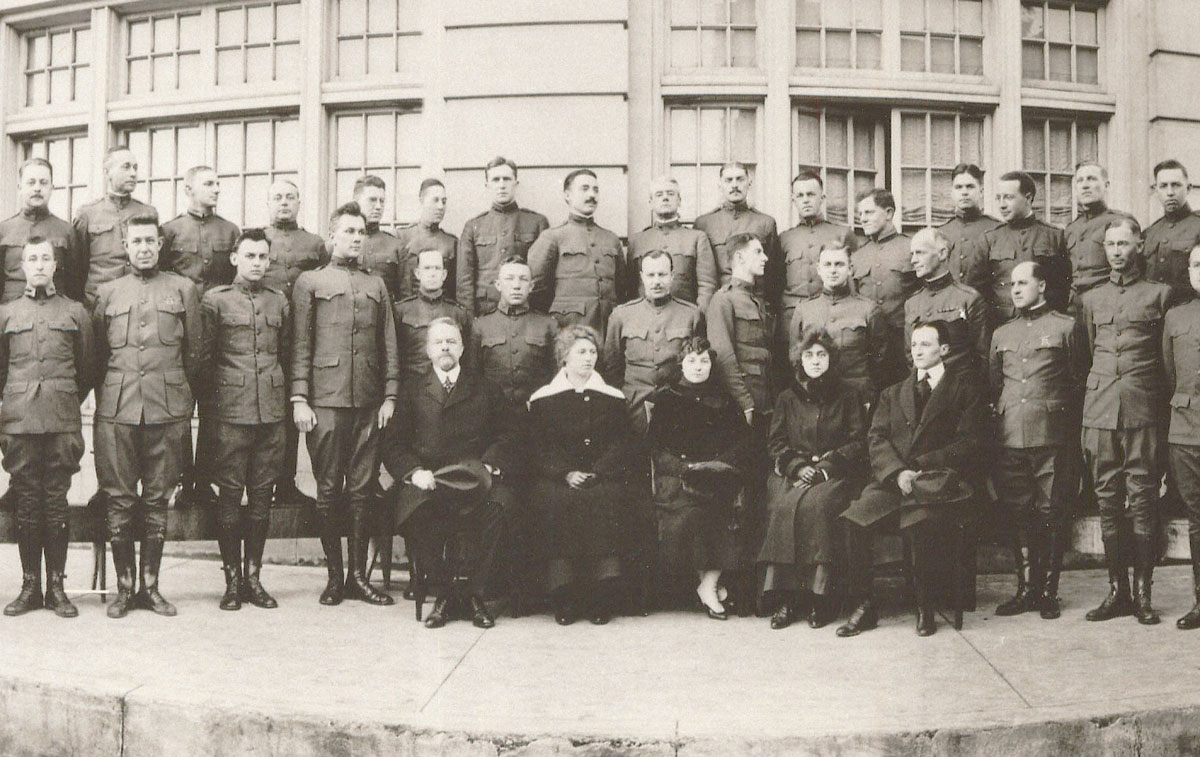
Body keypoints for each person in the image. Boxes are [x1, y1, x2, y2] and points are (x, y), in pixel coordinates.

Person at [837, 321, 986, 638]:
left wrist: (921, 465)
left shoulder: (963, 390)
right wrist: (897, 472)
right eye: (914, 345)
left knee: (918, 523)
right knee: (854, 520)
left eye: (926, 344)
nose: (917, 350)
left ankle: (925, 606)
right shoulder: (893, 393)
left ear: (943, 350)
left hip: (937, 484)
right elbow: (875, 438)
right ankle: (864, 606)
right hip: (894, 483)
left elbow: (969, 442)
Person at [92, 213, 202, 619]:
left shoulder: (183, 289)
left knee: (158, 499)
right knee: (119, 499)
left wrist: (182, 401)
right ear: (125, 245)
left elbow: (197, 354)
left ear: (160, 245)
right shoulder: (107, 294)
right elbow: (94, 358)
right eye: (135, 241)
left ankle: (151, 587)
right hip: (117, 410)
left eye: (149, 241)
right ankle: (124, 589)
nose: (143, 248)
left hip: (167, 409)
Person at [290, 201, 400, 607]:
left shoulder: (377, 285)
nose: (355, 238)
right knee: (328, 489)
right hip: (326, 402)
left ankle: (358, 576)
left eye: (361, 233)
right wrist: (300, 398)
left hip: (369, 401)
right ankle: (334, 577)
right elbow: (299, 345)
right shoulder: (310, 282)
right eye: (348, 231)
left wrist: (389, 395)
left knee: (362, 489)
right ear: (332, 235)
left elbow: (389, 343)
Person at [385, 318, 517, 629]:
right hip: (431, 480)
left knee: (500, 507)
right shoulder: (412, 391)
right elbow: (392, 444)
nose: (445, 347)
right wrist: (414, 472)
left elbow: (509, 433)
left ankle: (473, 593)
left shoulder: (485, 387)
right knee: (415, 511)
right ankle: (444, 593)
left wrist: (489, 463)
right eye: (438, 342)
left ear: (462, 348)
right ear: (428, 351)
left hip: (476, 479)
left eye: (452, 341)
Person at [1079, 218, 1172, 625]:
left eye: (1124, 243)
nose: (1116, 250)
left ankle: (1143, 594)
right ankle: (1116, 591)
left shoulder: (1160, 295)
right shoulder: (1091, 299)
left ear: (1140, 244)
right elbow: (1086, 354)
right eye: (1110, 244)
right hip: (1100, 411)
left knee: (1144, 499)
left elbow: (1167, 361)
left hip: (1142, 409)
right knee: (1108, 500)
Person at [0, 238, 93, 618]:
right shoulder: (7, 314)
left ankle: (56, 586)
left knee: (55, 501)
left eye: (45, 259)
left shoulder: (75, 313)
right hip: (19, 422)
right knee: (25, 500)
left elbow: (87, 368)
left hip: (61, 420)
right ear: (22, 266)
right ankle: (29, 586)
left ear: (56, 265)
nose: (39, 264)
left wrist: (64, 397)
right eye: (32, 258)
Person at [989, 261, 1086, 620]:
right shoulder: (1002, 334)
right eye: (1011, 284)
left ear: (1042, 286)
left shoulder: (1066, 327)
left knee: (1051, 512)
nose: (1015, 289)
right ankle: (1024, 589)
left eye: (1023, 282)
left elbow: (1077, 380)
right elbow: (995, 383)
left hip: (1051, 434)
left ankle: (1047, 591)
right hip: (1011, 433)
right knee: (1019, 513)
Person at [200, 228, 289, 611]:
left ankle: (254, 578)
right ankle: (232, 581)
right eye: (249, 255)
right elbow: (204, 360)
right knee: (230, 498)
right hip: (230, 413)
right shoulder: (215, 302)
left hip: (270, 412)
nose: (257, 263)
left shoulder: (278, 301)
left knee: (262, 499)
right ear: (235, 258)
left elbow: (285, 352)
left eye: (262, 257)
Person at [758, 330, 867, 630]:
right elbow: (776, 442)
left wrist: (827, 467)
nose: (815, 361)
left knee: (817, 507)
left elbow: (859, 441)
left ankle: (822, 598)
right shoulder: (787, 397)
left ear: (831, 359)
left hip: (835, 473)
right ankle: (788, 597)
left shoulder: (848, 395)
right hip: (795, 473)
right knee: (782, 506)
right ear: (799, 360)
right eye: (809, 355)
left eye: (821, 355)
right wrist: (795, 466)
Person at [527, 325, 633, 625]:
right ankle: (564, 596)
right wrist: (565, 472)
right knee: (558, 502)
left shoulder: (611, 396)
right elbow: (539, 445)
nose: (589, 358)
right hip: (558, 479)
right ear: (564, 357)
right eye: (581, 352)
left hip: (603, 476)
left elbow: (622, 442)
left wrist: (599, 471)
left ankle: (602, 595)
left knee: (606, 498)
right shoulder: (545, 398)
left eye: (592, 352)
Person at [645, 337, 748, 620]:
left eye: (704, 360)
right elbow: (657, 448)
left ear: (712, 365)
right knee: (693, 512)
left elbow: (742, 443)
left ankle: (708, 584)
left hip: (717, 475)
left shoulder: (724, 400)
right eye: (692, 360)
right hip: (679, 477)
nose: (698, 366)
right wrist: (685, 468)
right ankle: (711, 584)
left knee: (721, 509)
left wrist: (718, 464)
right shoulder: (666, 400)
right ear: (681, 365)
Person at [160, 165, 241, 508]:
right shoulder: (171, 231)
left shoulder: (230, 231)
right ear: (188, 189)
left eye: (219, 184)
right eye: (209, 184)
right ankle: (180, 480)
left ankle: (204, 481)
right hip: (181, 334)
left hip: (219, 334)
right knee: (179, 409)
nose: (217, 189)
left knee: (212, 410)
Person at [707, 232, 774, 612]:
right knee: (739, 501)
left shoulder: (757, 301)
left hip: (763, 410)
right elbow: (724, 356)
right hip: (741, 412)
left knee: (759, 498)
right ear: (737, 258)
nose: (764, 258)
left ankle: (756, 585)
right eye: (758, 252)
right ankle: (736, 585)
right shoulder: (724, 300)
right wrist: (746, 403)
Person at [262, 179, 326, 506]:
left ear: (299, 202)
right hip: (268, 337)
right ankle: (265, 484)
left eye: (290, 197)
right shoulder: (258, 241)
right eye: (278, 197)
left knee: (297, 413)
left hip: (304, 338)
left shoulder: (315, 244)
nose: (284, 202)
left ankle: (288, 483)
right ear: (268, 203)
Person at [604, 250, 704, 429]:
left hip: (677, 406)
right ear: (642, 277)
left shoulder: (691, 315)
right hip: (632, 407)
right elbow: (612, 367)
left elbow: (699, 364)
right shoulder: (621, 315)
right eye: (651, 275)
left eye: (662, 275)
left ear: (672, 276)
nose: (656, 281)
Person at [528, 169, 625, 335]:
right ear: (568, 195)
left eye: (595, 189)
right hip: (568, 330)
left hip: (607, 331)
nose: (592, 194)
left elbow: (622, 288)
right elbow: (535, 291)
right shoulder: (552, 237)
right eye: (584, 189)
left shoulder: (611, 239)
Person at [789, 245, 887, 396]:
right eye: (827, 264)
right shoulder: (804, 310)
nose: (833, 270)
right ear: (819, 269)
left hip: (856, 397)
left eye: (839, 264)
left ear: (850, 269)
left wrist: (869, 394)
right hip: (816, 397)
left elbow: (879, 360)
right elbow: (795, 358)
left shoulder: (868, 309)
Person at [457, 156, 549, 317]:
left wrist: (537, 314)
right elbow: (464, 280)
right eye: (496, 180)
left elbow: (542, 277)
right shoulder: (473, 226)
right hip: (485, 310)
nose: (501, 185)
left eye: (507, 179)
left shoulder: (536, 223)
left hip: (526, 311)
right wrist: (469, 318)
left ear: (516, 183)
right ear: (487, 185)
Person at [978, 171, 1071, 326]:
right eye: (998, 198)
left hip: (1044, 324)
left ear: (1028, 198)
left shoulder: (1054, 236)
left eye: (1008, 197)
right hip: (1003, 325)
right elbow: (980, 291)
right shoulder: (990, 239)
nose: (1002, 204)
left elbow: (1063, 287)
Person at [71, 146, 158, 308]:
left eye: (135, 168)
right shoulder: (87, 214)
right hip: (99, 304)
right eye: (126, 167)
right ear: (106, 172)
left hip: (139, 302)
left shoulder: (148, 212)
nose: (133, 173)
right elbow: (77, 268)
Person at [1164, 244, 1200, 629]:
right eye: (1196, 265)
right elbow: (1169, 374)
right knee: (1197, 519)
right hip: (1188, 429)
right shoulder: (1176, 317)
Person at [851, 188, 917, 388]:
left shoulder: (911, 248)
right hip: (869, 346)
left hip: (903, 343)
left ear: (889, 213)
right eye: (860, 214)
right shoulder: (858, 255)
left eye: (869, 212)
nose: (862, 219)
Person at [470, 257, 558, 408]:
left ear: (531, 286)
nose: (516, 286)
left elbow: (557, 375)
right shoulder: (481, 326)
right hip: (494, 415)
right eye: (509, 279)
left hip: (536, 413)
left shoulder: (548, 325)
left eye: (523, 279)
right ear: (498, 284)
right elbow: (472, 375)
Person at [779, 170, 857, 332]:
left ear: (822, 198)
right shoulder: (785, 238)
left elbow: (853, 283)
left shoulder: (842, 234)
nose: (806, 200)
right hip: (792, 320)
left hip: (831, 318)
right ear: (793, 200)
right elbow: (775, 285)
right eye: (800, 196)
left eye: (811, 194)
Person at [904, 228, 989, 375]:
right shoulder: (912, 303)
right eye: (912, 254)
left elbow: (982, 356)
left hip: (959, 389)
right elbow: (910, 356)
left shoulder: (969, 298)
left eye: (920, 253)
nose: (913, 260)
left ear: (942, 253)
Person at [693, 162, 781, 303]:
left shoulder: (765, 223)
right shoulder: (704, 223)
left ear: (749, 183)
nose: (734, 185)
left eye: (740, 179)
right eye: (729, 180)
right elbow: (700, 275)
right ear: (720, 185)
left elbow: (772, 275)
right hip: (717, 302)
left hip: (754, 302)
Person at [627, 176, 718, 309]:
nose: (665, 198)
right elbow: (630, 288)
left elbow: (707, 285)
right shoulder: (636, 241)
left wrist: (699, 318)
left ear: (679, 200)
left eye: (670, 194)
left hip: (685, 320)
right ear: (650, 203)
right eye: (659, 195)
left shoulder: (697, 238)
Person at [0, 158, 73, 303]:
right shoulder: (4, 230)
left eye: (43, 182)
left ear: (52, 188)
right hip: (11, 315)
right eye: (31, 182)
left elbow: (75, 283)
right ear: (20, 187)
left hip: (55, 314)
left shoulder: (67, 231)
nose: (37, 188)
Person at [393, 249, 471, 383]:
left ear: (444, 274)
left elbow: (468, 358)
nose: (432, 273)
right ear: (417, 273)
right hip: (412, 387)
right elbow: (393, 356)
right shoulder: (401, 311)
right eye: (427, 268)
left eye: (437, 268)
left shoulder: (458, 313)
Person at [1065, 162, 1135, 302]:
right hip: (1074, 304)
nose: (1085, 185)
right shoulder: (1071, 229)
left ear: (1106, 185)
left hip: (1108, 301)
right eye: (1080, 181)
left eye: (1091, 179)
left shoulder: (1120, 221)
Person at [1144, 159, 1200, 307]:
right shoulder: (1150, 233)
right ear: (1156, 190)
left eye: (1176, 185)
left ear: (1188, 188)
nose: (1170, 192)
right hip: (1155, 316)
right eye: (1163, 186)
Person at [937, 163, 1001, 291]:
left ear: (981, 191)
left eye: (970, 187)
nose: (964, 192)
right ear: (952, 193)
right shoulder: (941, 232)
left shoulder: (997, 229)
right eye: (959, 187)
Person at [396, 178, 457, 301]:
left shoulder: (452, 243)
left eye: (444, 201)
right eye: (435, 200)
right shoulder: (402, 237)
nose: (440, 206)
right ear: (422, 201)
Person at [352, 174, 404, 299]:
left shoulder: (395, 245)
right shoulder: (344, 242)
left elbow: (404, 294)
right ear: (356, 202)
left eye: (382, 201)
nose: (378, 207)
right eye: (372, 200)